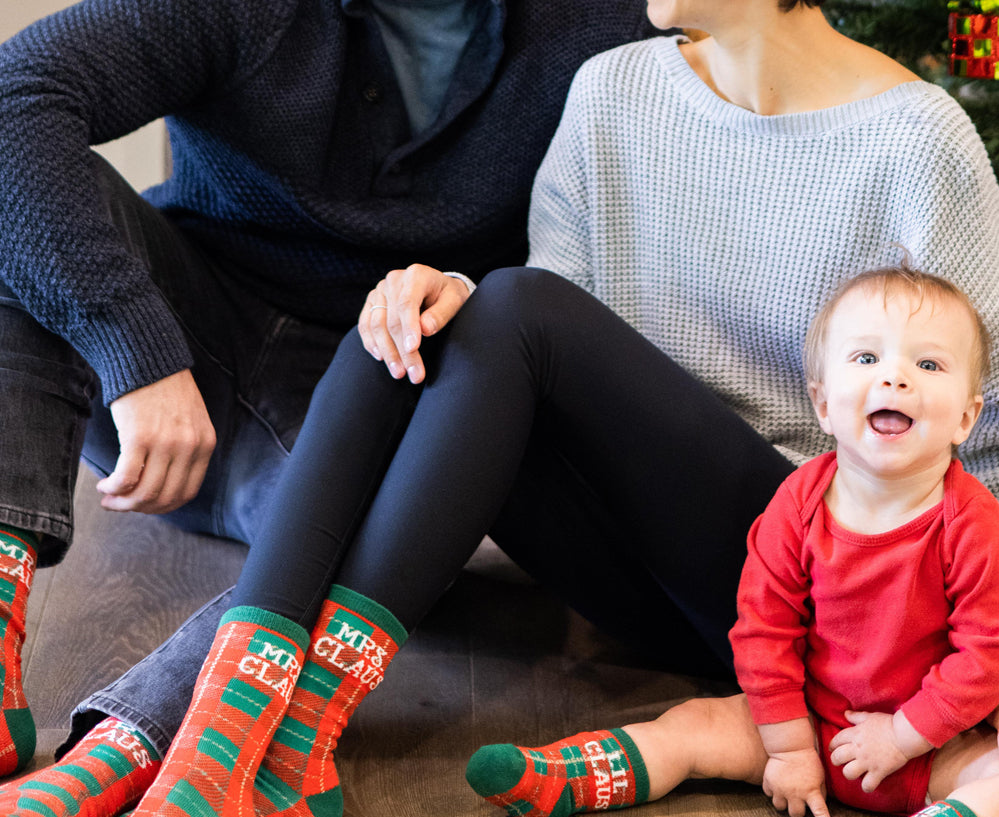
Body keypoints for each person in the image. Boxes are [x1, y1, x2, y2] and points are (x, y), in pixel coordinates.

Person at [3, 0, 999, 817]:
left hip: (834, 585)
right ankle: (239, 758)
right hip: (645, 580)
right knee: (409, 327)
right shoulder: (615, 88)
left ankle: (183, 759)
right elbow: (541, 348)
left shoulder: (916, 141)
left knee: (497, 307)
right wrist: (436, 299)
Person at [0, 0, 655, 777]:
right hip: (178, 351)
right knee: (26, 200)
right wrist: (137, 352)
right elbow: (15, 96)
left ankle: (121, 755)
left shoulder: (609, 25)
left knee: (370, 542)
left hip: (382, 392)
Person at [467, 265, 999, 817]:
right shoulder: (798, 505)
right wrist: (788, 747)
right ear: (823, 403)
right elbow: (764, 630)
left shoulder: (972, 524)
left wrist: (903, 737)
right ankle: (562, 778)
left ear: (966, 417)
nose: (895, 377)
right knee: (693, 725)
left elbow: (988, 654)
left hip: (932, 744)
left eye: (928, 364)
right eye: (867, 358)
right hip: (807, 721)